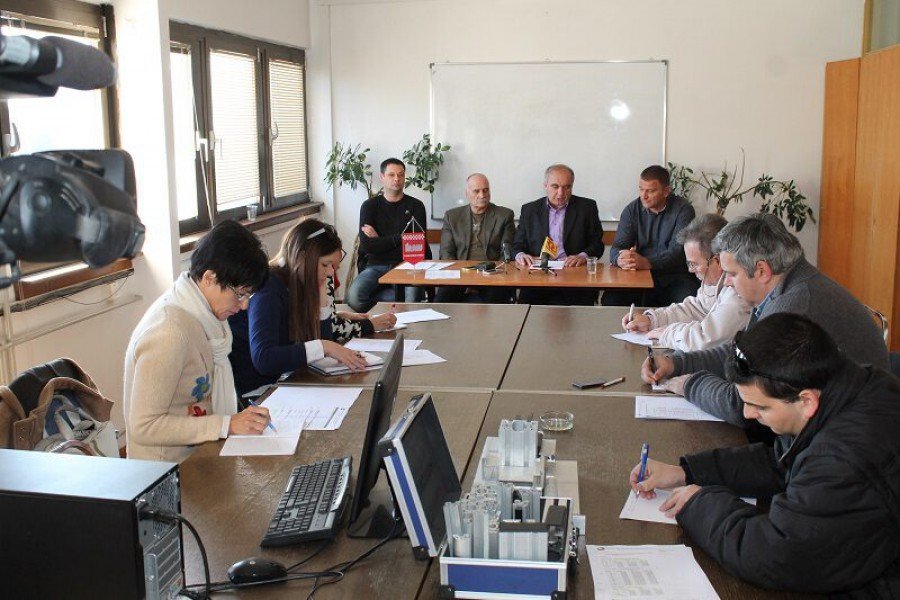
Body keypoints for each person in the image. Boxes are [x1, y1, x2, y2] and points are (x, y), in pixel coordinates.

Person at [630, 314, 900, 597]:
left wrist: (699, 504)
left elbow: (775, 555)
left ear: (806, 400)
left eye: (760, 406)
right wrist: (687, 472)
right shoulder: (846, 386)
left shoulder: (844, 457)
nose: (748, 414)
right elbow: (782, 461)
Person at [642, 212, 889, 426]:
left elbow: (744, 406)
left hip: (848, 439)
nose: (727, 283)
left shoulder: (792, 310)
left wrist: (689, 384)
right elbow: (742, 355)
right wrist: (677, 363)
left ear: (761, 270)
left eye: (731, 274)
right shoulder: (785, 289)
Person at [124, 221, 271, 463]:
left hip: (199, 454)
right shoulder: (169, 332)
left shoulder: (204, 316)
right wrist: (226, 424)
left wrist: (233, 421)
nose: (244, 305)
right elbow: (144, 426)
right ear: (209, 278)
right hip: (167, 470)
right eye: (240, 293)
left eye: (248, 295)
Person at [229, 219, 397, 396]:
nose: (331, 272)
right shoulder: (269, 287)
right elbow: (264, 359)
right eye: (325, 265)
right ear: (302, 257)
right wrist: (323, 346)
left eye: (333, 266)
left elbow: (323, 339)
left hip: (285, 380)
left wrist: (322, 301)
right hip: (256, 391)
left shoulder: (300, 280)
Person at [622, 213, 751, 351]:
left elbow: (706, 339)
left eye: (694, 264)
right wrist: (652, 320)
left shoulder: (738, 289)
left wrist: (668, 334)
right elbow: (696, 309)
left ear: (717, 261)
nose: (690, 270)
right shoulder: (714, 280)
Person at [602, 165, 698, 307]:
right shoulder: (632, 210)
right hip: (639, 274)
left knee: (687, 303)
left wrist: (647, 262)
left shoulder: (683, 210)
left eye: (650, 191)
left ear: (666, 191)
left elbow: (678, 252)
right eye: (641, 189)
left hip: (674, 275)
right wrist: (620, 259)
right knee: (611, 300)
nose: (643, 195)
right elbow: (618, 246)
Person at [346, 158, 431, 312]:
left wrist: (379, 240)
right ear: (382, 177)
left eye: (401, 175)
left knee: (410, 302)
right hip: (376, 265)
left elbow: (417, 247)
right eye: (391, 175)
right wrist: (401, 238)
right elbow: (368, 246)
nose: (397, 179)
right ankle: (388, 308)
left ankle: (391, 306)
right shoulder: (369, 206)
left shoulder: (416, 206)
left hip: (407, 266)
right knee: (354, 298)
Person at [512, 164, 605, 305]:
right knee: (529, 309)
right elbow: (517, 244)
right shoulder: (530, 210)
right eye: (555, 187)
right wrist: (521, 255)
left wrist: (582, 256)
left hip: (574, 275)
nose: (561, 193)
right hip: (538, 277)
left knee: (579, 310)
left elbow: (597, 244)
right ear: (545, 186)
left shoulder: (587, 207)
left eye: (567, 187)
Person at [436, 173, 516, 303]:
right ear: (467, 193)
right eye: (476, 191)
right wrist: (464, 280)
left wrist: (489, 275)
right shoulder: (452, 216)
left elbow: (506, 253)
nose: (482, 195)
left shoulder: (504, 215)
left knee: (495, 301)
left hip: (492, 274)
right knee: (441, 301)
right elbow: (446, 253)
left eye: (485, 190)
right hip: (460, 274)